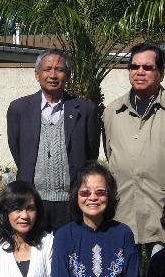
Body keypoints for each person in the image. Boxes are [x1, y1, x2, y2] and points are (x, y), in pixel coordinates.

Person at [103, 43, 165, 254]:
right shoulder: (112, 112)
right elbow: (110, 152)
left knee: (162, 269)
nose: (140, 72)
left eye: (147, 67)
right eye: (134, 66)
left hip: (161, 208)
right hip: (123, 209)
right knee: (123, 271)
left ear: (161, 73)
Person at [7, 49, 100, 231]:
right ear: (37, 74)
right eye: (47, 69)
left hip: (72, 202)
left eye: (59, 69)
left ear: (68, 75)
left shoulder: (85, 110)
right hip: (32, 202)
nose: (53, 75)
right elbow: (18, 151)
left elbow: (91, 153)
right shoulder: (19, 109)